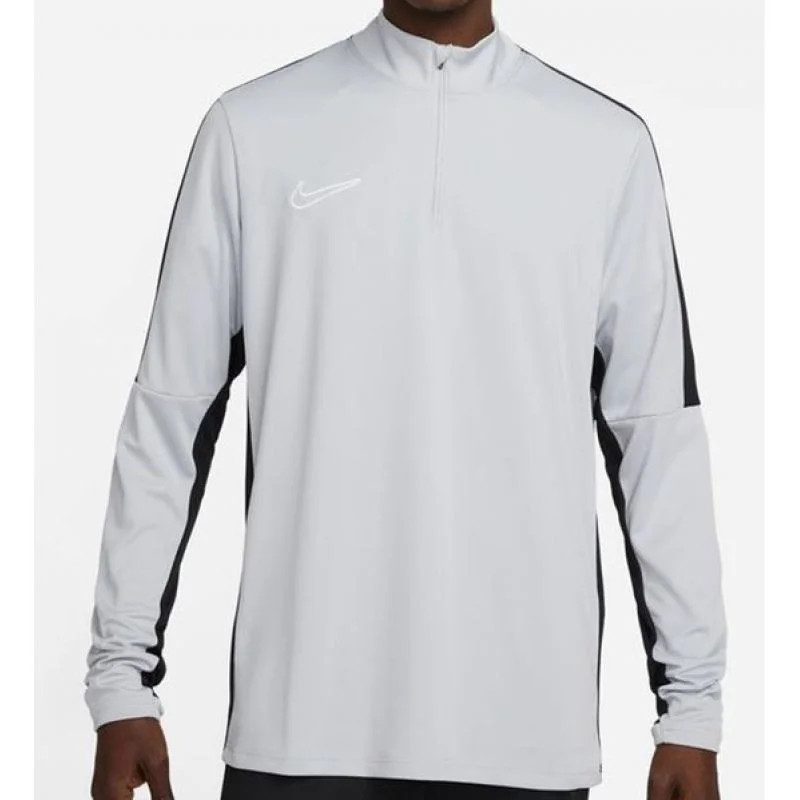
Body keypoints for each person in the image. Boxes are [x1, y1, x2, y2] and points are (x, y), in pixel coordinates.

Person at [85, 1, 727, 798]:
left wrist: (692, 710)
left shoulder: (605, 148)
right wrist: (120, 682)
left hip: (525, 736)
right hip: (298, 731)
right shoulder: (254, 130)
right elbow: (170, 416)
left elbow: (657, 437)